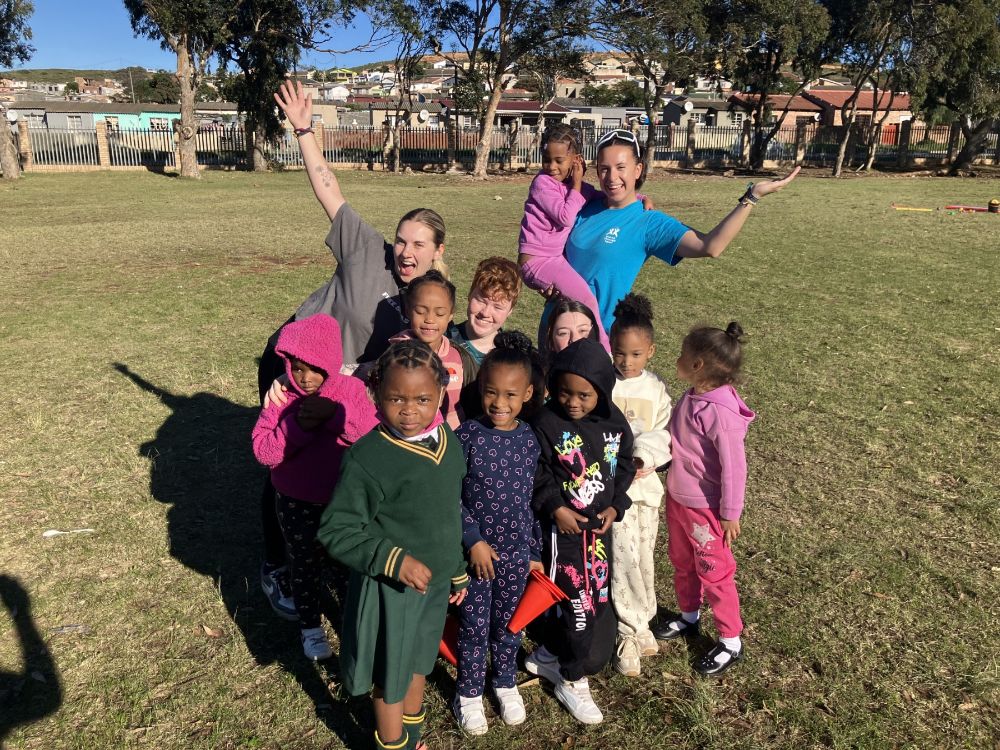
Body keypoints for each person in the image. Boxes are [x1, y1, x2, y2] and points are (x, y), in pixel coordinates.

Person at [256, 80, 450, 619]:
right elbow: (328, 189)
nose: (405, 252)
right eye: (402, 240)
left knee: (336, 461)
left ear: (437, 253)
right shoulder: (367, 249)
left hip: (343, 385)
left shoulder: (429, 303)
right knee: (284, 461)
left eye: (418, 245)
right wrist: (303, 131)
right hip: (296, 363)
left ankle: (332, 557)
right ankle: (278, 565)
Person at [317, 340, 470, 750]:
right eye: (395, 398)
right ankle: (394, 744)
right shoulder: (368, 458)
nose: (409, 409)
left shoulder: (448, 443)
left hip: (434, 586)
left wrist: (455, 568)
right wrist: (394, 560)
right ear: (375, 394)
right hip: (391, 590)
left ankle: (413, 737)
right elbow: (336, 529)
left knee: (420, 661)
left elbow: (446, 513)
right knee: (392, 676)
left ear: (441, 393)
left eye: (422, 398)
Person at [549, 128, 800, 336]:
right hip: (554, 329)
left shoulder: (648, 223)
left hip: (596, 338)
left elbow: (710, 246)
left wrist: (752, 196)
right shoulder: (581, 204)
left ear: (638, 169)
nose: (612, 177)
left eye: (620, 167)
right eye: (604, 168)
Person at [251, 314, 379, 659]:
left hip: (342, 500)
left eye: (314, 367)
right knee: (303, 566)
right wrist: (298, 427)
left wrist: (332, 416)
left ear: (330, 361)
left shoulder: (350, 390)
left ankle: (351, 621)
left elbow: (367, 431)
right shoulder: (281, 397)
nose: (304, 378)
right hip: (294, 500)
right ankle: (310, 627)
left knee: (344, 566)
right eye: (296, 366)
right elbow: (264, 452)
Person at [524, 338, 636, 725]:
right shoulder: (545, 421)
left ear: (602, 391)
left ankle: (550, 657)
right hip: (563, 534)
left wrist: (615, 505)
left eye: (584, 395)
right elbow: (536, 471)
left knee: (597, 599)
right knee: (576, 603)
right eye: (564, 392)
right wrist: (554, 506)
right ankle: (572, 678)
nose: (572, 402)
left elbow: (623, 466)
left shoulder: (613, 423)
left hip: (599, 533)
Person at [453, 331, 543, 735]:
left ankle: (504, 681)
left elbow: (532, 503)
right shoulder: (468, 437)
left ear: (527, 394)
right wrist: (472, 538)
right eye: (491, 393)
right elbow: (447, 496)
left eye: (510, 395)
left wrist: (534, 550)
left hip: (516, 556)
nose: (499, 403)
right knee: (473, 627)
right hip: (476, 558)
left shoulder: (529, 440)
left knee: (509, 625)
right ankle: (469, 692)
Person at [652, 323, 754, 677]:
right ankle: (689, 616)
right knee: (682, 561)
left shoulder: (719, 412)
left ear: (697, 365)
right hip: (679, 501)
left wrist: (729, 512)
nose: (676, 359)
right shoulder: (692, 395)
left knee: (715, 572)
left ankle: (730, 639)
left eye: (682, 354)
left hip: (707, 511)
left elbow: (734, 467)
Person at [606, 294, 673, 677]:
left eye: (634, 354)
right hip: (617, 494)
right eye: (619, 353)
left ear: (650, 351)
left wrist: (642, 457)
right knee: (624, 558)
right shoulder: (604, 383)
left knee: (643, 556)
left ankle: (644, 618)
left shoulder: (656, 388)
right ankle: (628, 631)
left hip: (646, 491)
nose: (626, 362)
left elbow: (665, 433)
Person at [517, 124, 612, 350]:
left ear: (576, 160)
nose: (551, 166)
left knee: (567, 310)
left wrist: (640, 198)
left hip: (554, 260)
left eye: (559, 160)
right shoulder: (543, 183)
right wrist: (577, 184)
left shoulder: (574, 188)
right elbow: (565, 217)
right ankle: (606, 353)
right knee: (587, 301)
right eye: (547, 159)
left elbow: (604, 197)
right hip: (537, 262)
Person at [361, 270, 474, 429]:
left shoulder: (459, 357)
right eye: (420, 311)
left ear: (450, 316)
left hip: (452, 441)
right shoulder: (394, 357)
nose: (429, 319)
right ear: (407, 310)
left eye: (440, 313)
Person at [448, 256, 522, 368]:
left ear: (510, 311)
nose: (485, 313)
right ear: (469, 295)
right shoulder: (445, 342)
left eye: (498, 307)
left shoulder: (515, 355)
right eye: (480, 301)